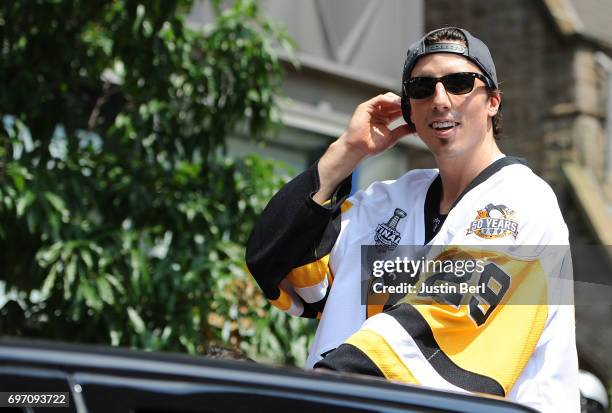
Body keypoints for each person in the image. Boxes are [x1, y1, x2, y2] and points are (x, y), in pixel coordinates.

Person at [246, 27, 579, 412]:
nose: (440, 99)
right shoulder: (385, 203)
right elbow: (273, 262)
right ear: (409, 110)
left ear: (492, 101)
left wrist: (315, 391)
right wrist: (347, 151)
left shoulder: (521, 202)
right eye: (421, 88)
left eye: (458, 83)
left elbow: (440, 325)